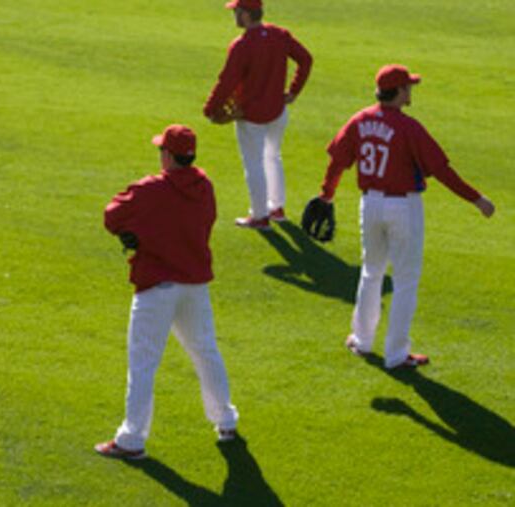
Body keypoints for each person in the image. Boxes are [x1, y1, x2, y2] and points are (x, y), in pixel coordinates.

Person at [317, 64, 495, 369]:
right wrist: (477, 199)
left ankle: (361, 340)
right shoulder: (408, 128)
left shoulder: (360, 120)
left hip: (369, 205)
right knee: (405, 280)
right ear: (398, 92)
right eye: (408, 87)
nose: (411, 91)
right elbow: (441, 170)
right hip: (403, 207)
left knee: (371, 272)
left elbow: (337, 161)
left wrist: (327, 194)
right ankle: (396, 355)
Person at [95, 124, 239, 459]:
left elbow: (111, 214)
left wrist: (132, 232)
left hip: (156, 288)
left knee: (143, 363)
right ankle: (226, 420)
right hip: (195, 286)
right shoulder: (205, 187)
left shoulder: (151, 189)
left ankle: (131, 439)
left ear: (169, 155)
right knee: (206, 351)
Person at [204, 0, 312, 230]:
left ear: (246, 15)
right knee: (273, 156)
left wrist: (210, 108)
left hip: (251, 115)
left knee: (253, 164)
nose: (234, 15)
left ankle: (260, 216)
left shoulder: (242, 45)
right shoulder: (279, 35)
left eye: (236, 11)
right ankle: (276, 207)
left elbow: (226, 81)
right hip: (277, 112)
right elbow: (306, 59)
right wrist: (293, 92)